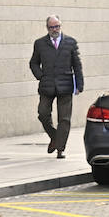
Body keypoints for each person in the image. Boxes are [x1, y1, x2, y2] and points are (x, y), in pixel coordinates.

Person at [30, 14, 84, 159]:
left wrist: (79, 84)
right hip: (47, 85)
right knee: (42, 113)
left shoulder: (71, 42)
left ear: (61, 26)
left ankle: (60, 148)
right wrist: (40, 75)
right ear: (47, 28)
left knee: (64, 119)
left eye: (57, 26)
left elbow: (77, 65)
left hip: (65, 85)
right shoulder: (40, 43)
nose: (55, 29)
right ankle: (54, 137)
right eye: (52, 27)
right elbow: (33, 62)